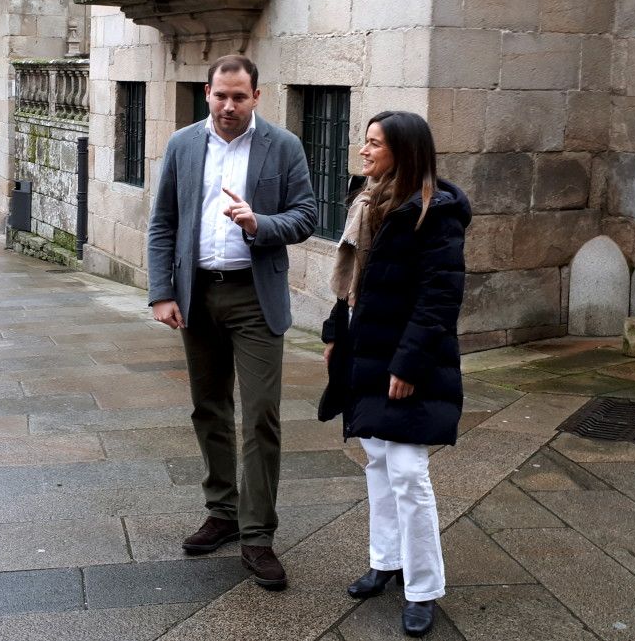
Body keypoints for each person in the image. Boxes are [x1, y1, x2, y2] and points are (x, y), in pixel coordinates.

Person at [148, 54, 317, 591]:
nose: (228, 105)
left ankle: (258, 534)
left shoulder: (282, 146)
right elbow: (164, 223)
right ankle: (222, 511)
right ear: (207, 93)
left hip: (254, 297)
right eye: (220, 95)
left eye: (239, 96)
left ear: (257, 97)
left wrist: (258, 223)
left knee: (262, 411)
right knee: (209, 407)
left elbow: (307, 215)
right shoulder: (182, 145)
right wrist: (161, 293)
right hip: (197, 295)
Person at [318, 111, 470, 637]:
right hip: (367, 347)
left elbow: (439, 298)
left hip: (407, 357)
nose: (363, 151)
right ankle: (385, 560)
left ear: (402, 151)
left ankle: (423, 587)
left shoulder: (435, 212)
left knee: (408, 470)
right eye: (364, 141)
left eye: (374, 144)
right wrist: (334, 331)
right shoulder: (369, 201)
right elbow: (353, 282)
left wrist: (408, 364)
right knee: (378, 458)